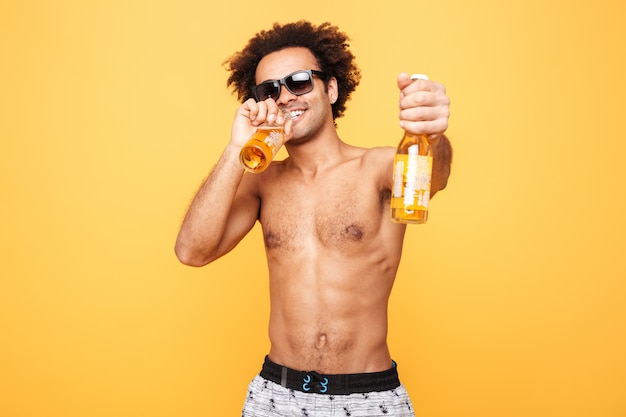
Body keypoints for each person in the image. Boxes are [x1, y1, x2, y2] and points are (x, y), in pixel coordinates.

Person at [175, 20, 452, 417]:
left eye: (300, 81)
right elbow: (191, 251)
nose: (286, 96)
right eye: (270, 90)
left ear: (332, 88)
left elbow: (433, 177)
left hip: (368, 398)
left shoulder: (376, 168)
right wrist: (236, 148)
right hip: (276, 396)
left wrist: (432, 134)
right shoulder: (262, 183)